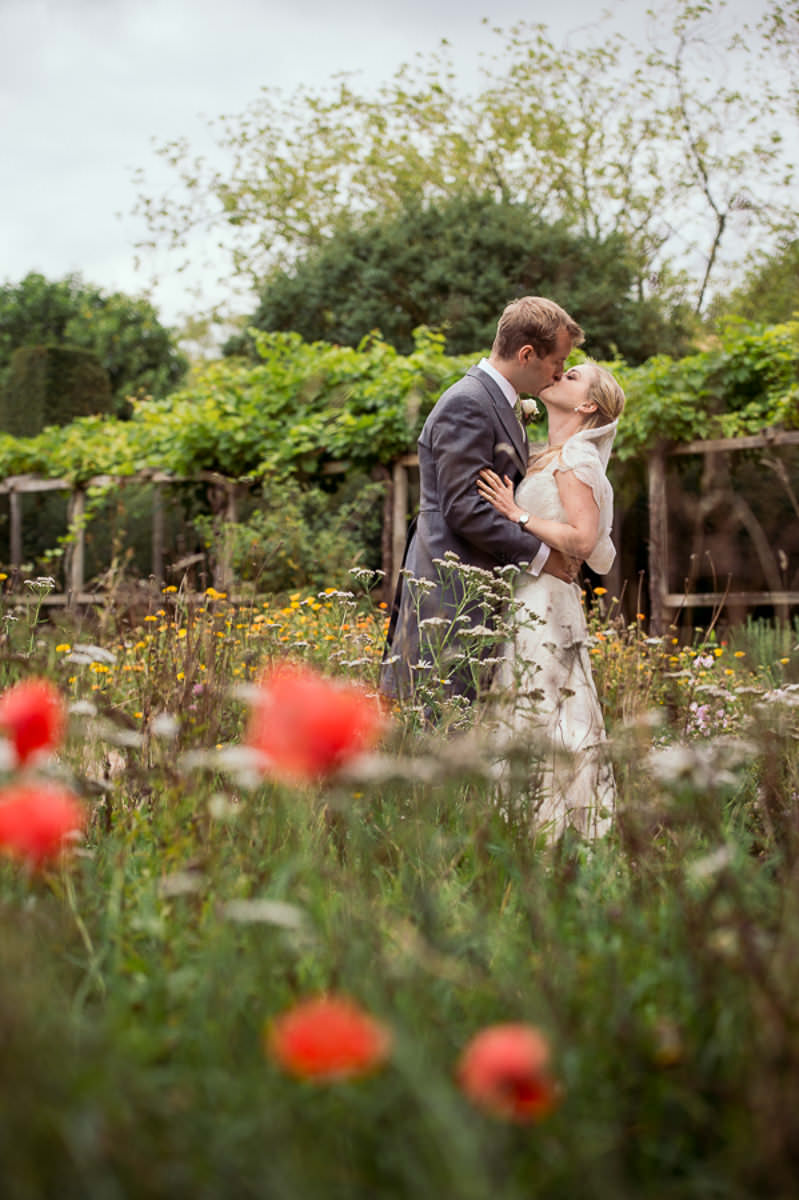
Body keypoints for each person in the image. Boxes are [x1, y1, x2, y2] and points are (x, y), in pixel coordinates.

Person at [380, 297, 585, 705]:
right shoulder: (468, 403)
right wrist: (545, 557)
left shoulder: (503, 404)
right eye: (557, 361)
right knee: (435, 722)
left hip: (481, 591)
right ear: (527, 354)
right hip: (451, 590)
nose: (560, 372)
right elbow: (465, 508)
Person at [476, 359, 625, 839]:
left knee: (550, 704)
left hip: (547, 601)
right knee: (522, 698)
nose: (561, 373)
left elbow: (582, 542)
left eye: (574, 375)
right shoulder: (546, 454)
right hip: (527, 594)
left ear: (587, 405)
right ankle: (519, 820)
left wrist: (518, 515)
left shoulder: (575, 460)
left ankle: (560, 828)